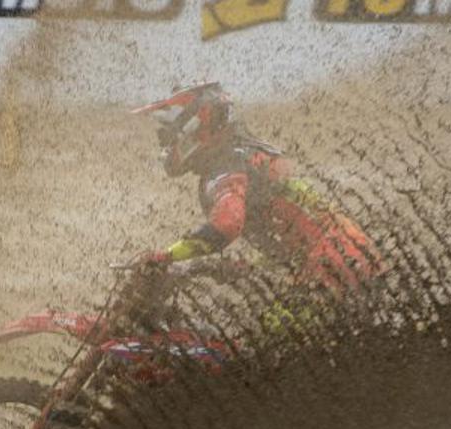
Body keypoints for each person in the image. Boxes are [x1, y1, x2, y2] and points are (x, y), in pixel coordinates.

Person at [132, 82, 383, 297]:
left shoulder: (226, 165)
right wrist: (244, 266)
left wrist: (166, 256)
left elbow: (227, 225)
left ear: (195, 128)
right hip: (349, 258)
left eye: (166, 137)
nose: (165, 146)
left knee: (248, 351)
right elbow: (296, 230)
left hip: (328, 268)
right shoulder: (247, 152)